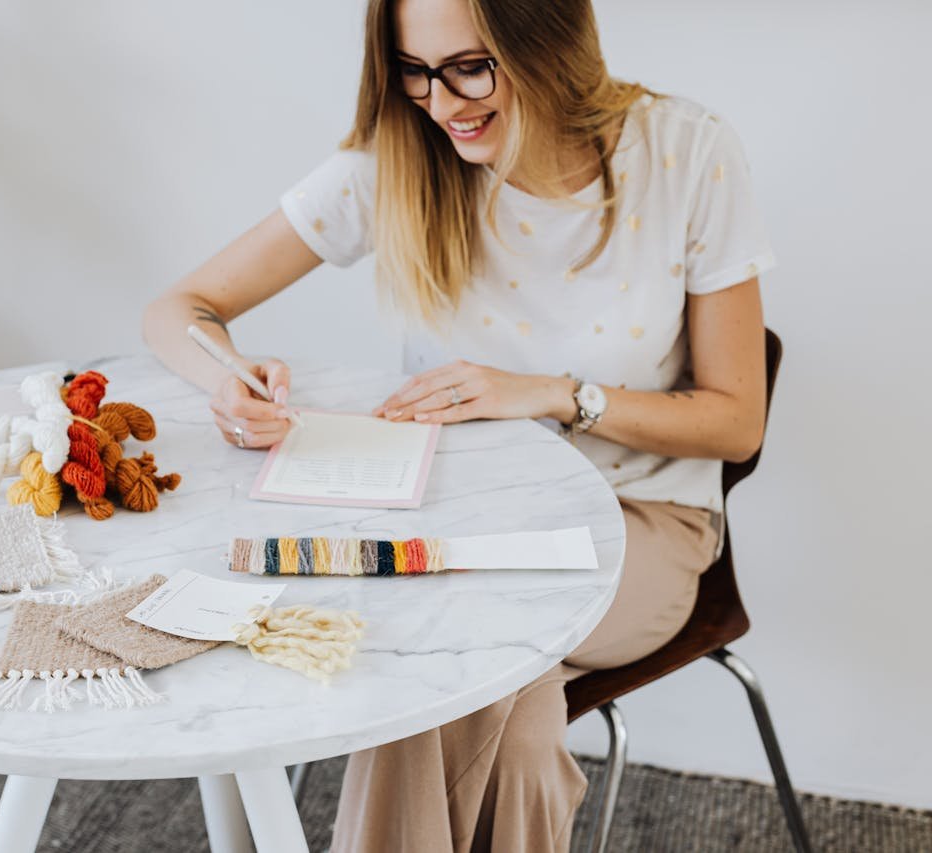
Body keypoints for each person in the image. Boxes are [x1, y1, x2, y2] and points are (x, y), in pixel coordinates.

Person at [143, 0, 773, 848]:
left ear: (546, 38)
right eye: (413, 72)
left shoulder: (687, 153)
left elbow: (735, 423)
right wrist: (226, 375)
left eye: (470, 66)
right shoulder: (401, 160)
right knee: (494, 706)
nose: (441, 104)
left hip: (638, 528)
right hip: (455, 515)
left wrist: (554, 393)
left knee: (436, 668)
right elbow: (179, 308)